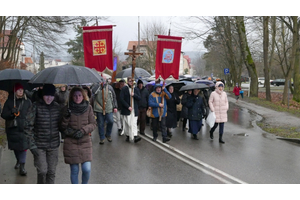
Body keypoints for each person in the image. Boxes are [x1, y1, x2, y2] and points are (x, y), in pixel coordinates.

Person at [24, 84, 62, 184]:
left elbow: (62, 126)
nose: (49, 98)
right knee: (42, 171)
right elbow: (28, 127)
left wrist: (66, 117)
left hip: (53, 145)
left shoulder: (57, 107)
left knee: (51, 171)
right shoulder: (35, 106)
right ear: (42, 95)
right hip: (39, 145)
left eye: (51, 95)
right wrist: (32, 146)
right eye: (46, 95)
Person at [60, 87, 96, 184]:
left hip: (85, 142)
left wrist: (84, 130)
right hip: (71, 143)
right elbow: (62, 127)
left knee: (87, 169)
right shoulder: (66, 108)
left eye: (79, 95)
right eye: (75, 95)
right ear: (71, 96)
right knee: (74, 170)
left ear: (83, 96)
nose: (77, 98)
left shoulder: (88, 107)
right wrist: (66, 117)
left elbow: (93, 124)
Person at [1, 83, 32, 176]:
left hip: (24, 129)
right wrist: (11, 112)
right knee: (16, 147)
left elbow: (32, 114)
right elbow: (3, 115)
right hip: (13, 129)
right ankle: (18, 160)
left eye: (21, 89)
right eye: (18, 90)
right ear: (15, 91)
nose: (20, 91)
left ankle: (22, 166)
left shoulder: (27, 102)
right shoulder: (10, 101)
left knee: (23, 147)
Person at [93, 80, 118, 145]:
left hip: (108, 108)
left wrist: (115, 106)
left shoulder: (110, 87)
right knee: (100, 124)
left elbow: (114, 97)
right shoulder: (96, 87)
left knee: (111, 121)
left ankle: (108, 134)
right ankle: (102, 138)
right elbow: (93, 94)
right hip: (99, 108)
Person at [120, 76, 141, 143]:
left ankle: (135, 136)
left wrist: (134, 95)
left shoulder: (136, 89)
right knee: (128, 124)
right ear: (127, 82)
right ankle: (128, 135)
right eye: (129, 81)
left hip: (134, 110)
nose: (131, 82)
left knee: (134, 123)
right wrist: (128, 106)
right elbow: (121, 99)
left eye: (132, 81)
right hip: (127, 110)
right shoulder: (124, 89)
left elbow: (139, 98)